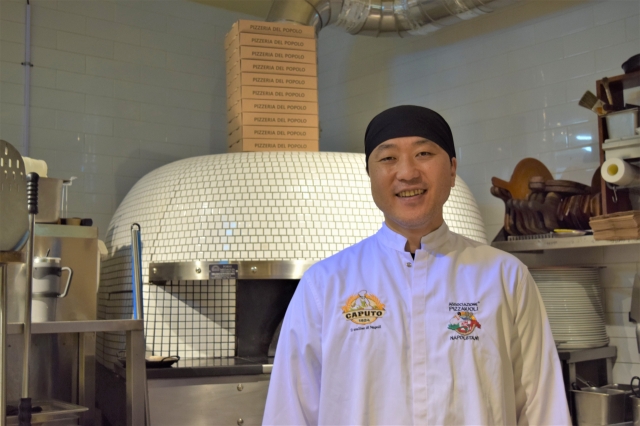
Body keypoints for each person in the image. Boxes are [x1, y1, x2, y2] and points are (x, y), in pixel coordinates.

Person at [263, 105, 571, 425]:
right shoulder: (324, 284)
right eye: (388, 158)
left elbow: (542, 406)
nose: (407, 172)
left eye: (424, 153)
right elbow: (289, 411)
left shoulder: (505, 277)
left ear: (452, 169)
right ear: (370, 175)